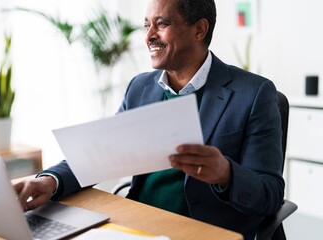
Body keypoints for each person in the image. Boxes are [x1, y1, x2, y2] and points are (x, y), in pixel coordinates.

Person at [14, 0, 285, 239]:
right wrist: (49, 181)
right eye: (147, 26)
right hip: (137, 224)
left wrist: (225, 174)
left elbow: (270, 194)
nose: (149, 36)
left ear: (199, 29)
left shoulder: (253, 93)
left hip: (202, 230)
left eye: (161, 23)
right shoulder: (141, 87)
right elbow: (97, 155)